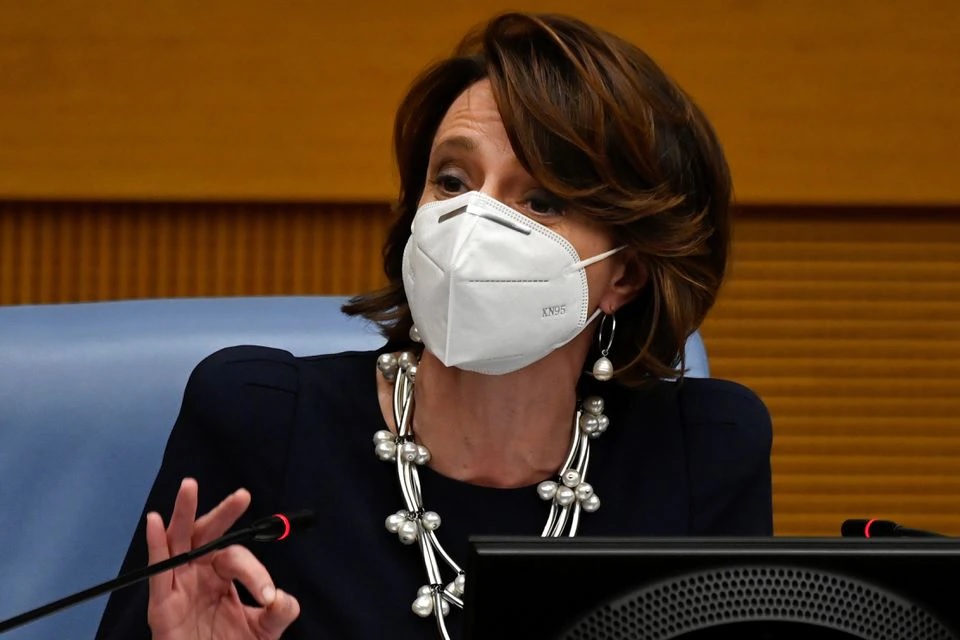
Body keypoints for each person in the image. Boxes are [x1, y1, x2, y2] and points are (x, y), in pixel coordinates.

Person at [95, 11, 772, 640]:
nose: (474, 223)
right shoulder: (258, 421)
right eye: (451, 180)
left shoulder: (700, 455)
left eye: (539, 199)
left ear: (624, 273)